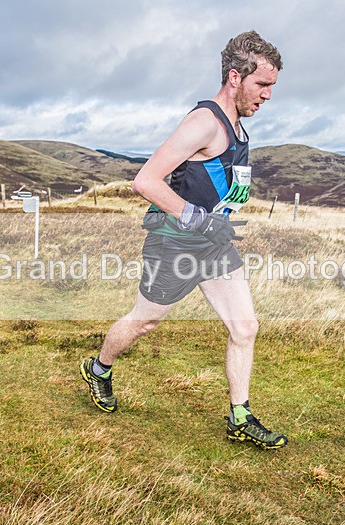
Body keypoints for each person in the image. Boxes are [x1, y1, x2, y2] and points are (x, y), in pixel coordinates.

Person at [80, 30, 287, 449]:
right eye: (262, 85)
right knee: (146, 321)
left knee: (244, 327)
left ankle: (240, 416)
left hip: (212, 244)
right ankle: (99, 367)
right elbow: (145, 180)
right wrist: (197, 219)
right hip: (174, 242)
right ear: (235, 77)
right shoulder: (203, 123)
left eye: (272, 87)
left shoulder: (237, 125)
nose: (267, 95)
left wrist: (220, 219)